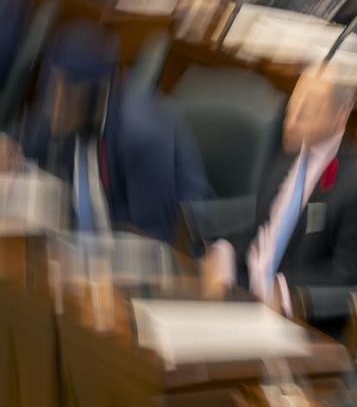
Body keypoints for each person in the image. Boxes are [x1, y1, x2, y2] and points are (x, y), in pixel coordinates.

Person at [203, 66, 357, 317]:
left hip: (298, 319)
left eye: (308, 110)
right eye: (293, 104)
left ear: (341, 115)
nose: (292, 118)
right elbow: (263, 232)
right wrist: (225, 253)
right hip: (244, 296)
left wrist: (285, 291)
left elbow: (350, 271)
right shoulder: (286, 159)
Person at [0, 21, 212, 242]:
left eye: (68, 90)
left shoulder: (140, 136)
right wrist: (7, 146)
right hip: (83, 250)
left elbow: (154, 237)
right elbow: (23, 140)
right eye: (53, 86)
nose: (55, 104)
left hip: (157, 254)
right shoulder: (64, 110)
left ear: (98, 93)